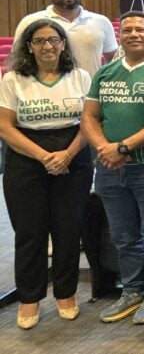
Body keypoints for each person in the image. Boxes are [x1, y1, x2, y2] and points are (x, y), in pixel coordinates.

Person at [81, 11, 144, 325]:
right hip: (109, 167)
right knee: (123, 236)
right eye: (127, 30)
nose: (134, 34)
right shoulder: (105, 72)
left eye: (141, 29)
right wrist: (104, 149)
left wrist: (122, 147)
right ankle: (132, 290)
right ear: (119, 36)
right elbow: (89, 117)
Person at [0, 19, 91, 330]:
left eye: (54, 39)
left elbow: (90, 123)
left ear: (63, 44)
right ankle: (29, 297)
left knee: (68, 229)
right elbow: (5, 127)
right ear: (29, 46)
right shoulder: (13, 79)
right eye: (39, 41)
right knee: (30, 232)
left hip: (73, 156)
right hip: (26, 157)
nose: (48, 46)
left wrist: (66, 155)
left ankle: (66, 293)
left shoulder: (80, 76)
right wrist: (44, 157)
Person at [15, 0, 117, 76]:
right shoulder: (30, 22)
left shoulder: (101, 22)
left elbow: (112, 59)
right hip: (44, 90)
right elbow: (19, 59)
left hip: (90, 90)